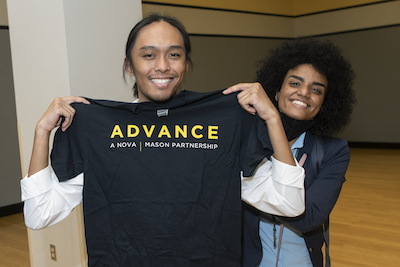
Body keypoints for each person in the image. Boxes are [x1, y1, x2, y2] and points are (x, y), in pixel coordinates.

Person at [21, 14, 306, 266]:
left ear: (185, 63)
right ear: (129, 65)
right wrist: (41, 133)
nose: (162, 66)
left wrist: (272, 120)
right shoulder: (99, 131)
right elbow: (39, 214)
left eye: (174, 54)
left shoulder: (222, 124)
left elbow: (290, 203)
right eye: (148, 55)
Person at [224, 38, 356, 267]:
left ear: (324, 104)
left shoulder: (334, 151)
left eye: (316, 90)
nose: (304, 93)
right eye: (295, 83)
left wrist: (273, 119)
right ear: (275, 92)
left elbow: (310, 217)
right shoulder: (244, 140)